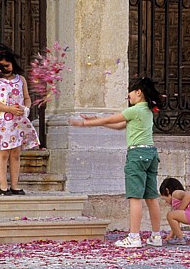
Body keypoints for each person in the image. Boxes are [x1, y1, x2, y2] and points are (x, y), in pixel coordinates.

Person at [69, 77, 163, 248]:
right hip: (151, 153)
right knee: (151, 196)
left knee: (135, 197)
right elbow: (119, 125)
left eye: (130, 94)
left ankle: (134, 237)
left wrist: (84, 123)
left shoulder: (135, 110)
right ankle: (156, 236)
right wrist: (95, 119)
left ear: (138, 92)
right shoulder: (148, 110)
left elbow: (110, 119)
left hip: (137, 154)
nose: (129, 98)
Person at [0, 43, 40, 196]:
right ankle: (3, 186)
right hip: (3, 121)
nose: (5, 69)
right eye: (1, 66)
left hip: (18, 121)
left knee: (16, 153)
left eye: (7, 65)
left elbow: (27, 98)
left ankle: (15, 185)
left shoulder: (21, 79)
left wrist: (26, 108)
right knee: (3, 153)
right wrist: (9, 109)